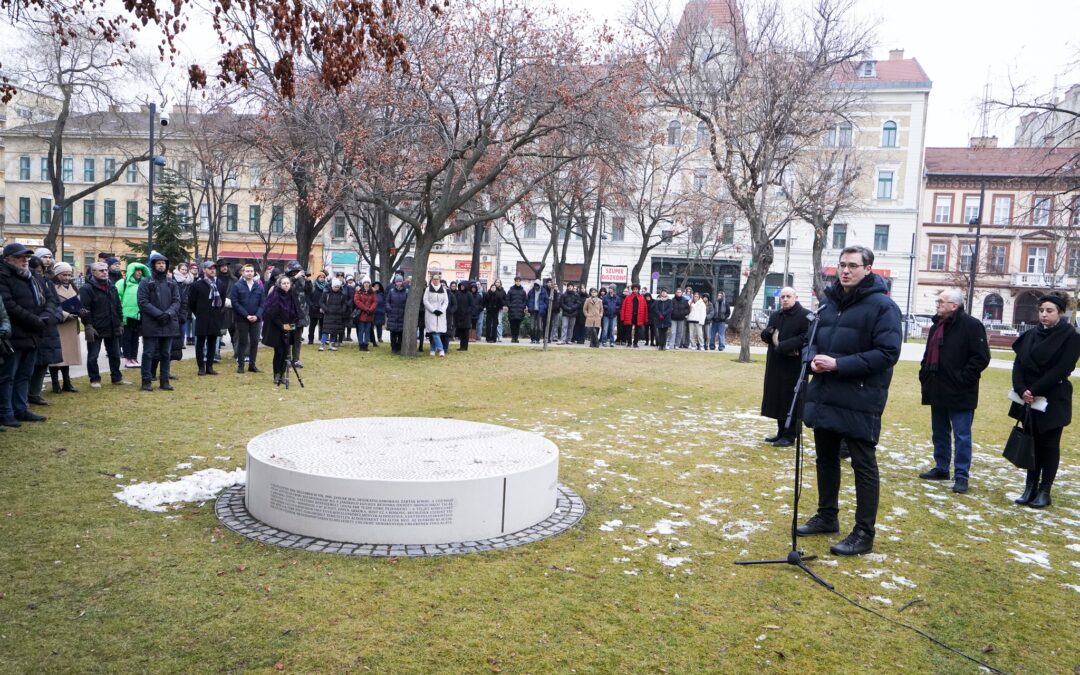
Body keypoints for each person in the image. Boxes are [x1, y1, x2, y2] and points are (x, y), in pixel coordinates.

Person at [798, 246, 901, 556]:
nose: (845, 271)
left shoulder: (883, 307)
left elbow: (887, 353)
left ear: (868, 269)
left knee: (863, 464)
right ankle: (827, 515)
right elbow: (809, 341)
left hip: (859, 396)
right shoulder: (828, 305)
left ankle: (864, 532)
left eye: (853, 265)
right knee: (826, 458)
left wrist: (840, 364)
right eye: (842, 265)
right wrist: (812, 357)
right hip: (826, 394)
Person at [1008, 294, 1080, 509]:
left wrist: (1034, 389)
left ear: (1060, 313)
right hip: (1028, 398)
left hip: (1053, 397)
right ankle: (1029, 487)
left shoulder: (1070, 337)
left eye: (1049, 311)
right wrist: (1022, 390)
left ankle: (1044, 490)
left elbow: (1062, 368)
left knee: (1048, 445)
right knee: (1031, 442)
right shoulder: (1031, 334)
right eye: (1041, 310)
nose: (1044, 315)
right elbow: (1018, 364)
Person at [917, 288, 991, 494]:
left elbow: (981, 358)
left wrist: (962, 378)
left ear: (954, 305)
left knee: (962, 436)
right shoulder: (936, 326)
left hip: (961, 391)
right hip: (936, 387)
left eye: (942, 301)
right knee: (939, 433)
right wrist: (924, 374)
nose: (938, 303)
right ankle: (941, 468)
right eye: (938, 300)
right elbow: (927, 355)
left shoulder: (972, 326)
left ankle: (961, 476)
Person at [0, 243, 48, 426]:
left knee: (24, 375)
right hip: (14, 335)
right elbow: (8, 306)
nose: (25, 260)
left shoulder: (33, 276)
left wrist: (46, 316)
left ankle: (20, 409)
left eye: (27, 257)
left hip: (33, 334)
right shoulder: (3, 276)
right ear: (8, 259)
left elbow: (48, 298)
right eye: (20, 257)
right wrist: (35, 321)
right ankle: (6, 412)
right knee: (8, 376)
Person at [760, 287, 812, 448]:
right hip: (776, 363)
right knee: (778, 398)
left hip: (794, 364)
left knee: (792, 399)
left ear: (796, 297)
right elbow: (766, 336)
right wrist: (767, 334)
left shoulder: (805, 316)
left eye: (788, 296)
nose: (785, 299)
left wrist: (784, 346)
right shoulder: (776, 315)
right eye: (782, 297)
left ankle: (790, 436)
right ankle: (781, 432)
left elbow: (806, 337)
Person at [136, 251, 180, 392]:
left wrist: (168, 314)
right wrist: (158, 314)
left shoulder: (171, 282)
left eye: (163, 264)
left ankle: (164, 381)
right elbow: (143, 302)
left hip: (168, 322)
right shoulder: (146, 282)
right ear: (153, 265)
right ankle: (146, 381)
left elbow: (177, 301)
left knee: (166, 353)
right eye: (158, 263)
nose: (161, 266)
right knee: (148, 353)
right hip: (151, 323)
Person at [78, 261, 127, 388]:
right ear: (93, 272)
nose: (105, 272)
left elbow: (118, 305)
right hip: (96, 327)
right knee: (93, 356)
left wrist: (120, 322)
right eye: (101, 270)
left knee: (115, 354)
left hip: (112, 325)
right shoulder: (86, 288)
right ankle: (94, 379)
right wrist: (88, 325)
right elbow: (85, 309)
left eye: (106, 270)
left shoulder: (112, 286)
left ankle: (117, 378)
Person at [48, 262, 82, 394]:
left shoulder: (73, 286)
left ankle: (67, 382)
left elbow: (78, 303)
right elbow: (50, 305)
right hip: (59, 324)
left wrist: (81, 311)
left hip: (71, 325)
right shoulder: (51, 287)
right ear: (57, 274)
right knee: (57, 357)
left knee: (67, 356)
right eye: (64, 275)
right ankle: (55, 383)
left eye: (69, 275)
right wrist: (65, 314)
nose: (67, 277)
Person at [188, 261, 227, 376]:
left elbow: (222, 301)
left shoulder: (220, 284)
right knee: (200, 343)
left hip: (215, 317)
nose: (213, 270)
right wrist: (199, 313)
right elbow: (192, 302)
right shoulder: (197, 285)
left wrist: (217, 313)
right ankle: (201, 367)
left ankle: (210, 367)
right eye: (210, 268)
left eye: (214, 268)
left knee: (212, 342)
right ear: (204, 270)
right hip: (202, 317)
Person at [262, 275, 301, 386]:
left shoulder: (292, 295)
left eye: (288, 283)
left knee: (286, 353)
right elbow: (272, 313)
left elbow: (297, 311)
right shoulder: (275, 295)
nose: (286, 285)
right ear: (279, 284)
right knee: (278, 353)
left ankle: (283, 374)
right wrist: (282, 326)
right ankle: (276, 375)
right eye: (283, 283)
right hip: (277, 328)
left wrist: (292, 325)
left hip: (289, 328)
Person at [229, 263, 265, 373]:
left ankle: (252, 365)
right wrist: (246, 315)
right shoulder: (237, 286)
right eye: (247, 271)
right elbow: (235, 303)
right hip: (242, 319)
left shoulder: (258, 286)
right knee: (243, 342)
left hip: (256, 319)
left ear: (254, 273)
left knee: (254, 342)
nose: (249, 273)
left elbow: (263, 303)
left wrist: (257, 315)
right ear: (243, 273)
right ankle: (240, 366)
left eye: (251, 271)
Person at [116, 261, 149, 368]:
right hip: (127, 315)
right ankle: (127, 358)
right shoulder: (123, 283)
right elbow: (117, 298)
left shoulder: (144, 283)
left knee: (135, 338)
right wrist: (120, 314)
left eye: (140, 270)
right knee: (127, 337)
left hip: (139, 315)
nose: (139, 273)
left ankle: (134, 358)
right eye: (136, 270)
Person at [318, 277, 351, 350]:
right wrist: (326, 309)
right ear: (332, 286)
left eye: (338, 287)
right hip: (328, 315)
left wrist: (342, 310)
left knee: (334, 331)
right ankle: (322, 345)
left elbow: (344, 304)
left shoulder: (342, 294)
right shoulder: (326, 293)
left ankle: (331, 345)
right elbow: (321, 302)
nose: (337, 288)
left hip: (337, 315)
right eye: (335, 287)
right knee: (325, 331)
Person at [423, 273, 449, 357]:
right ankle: (441, 349)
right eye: (434, 279)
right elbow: (425, 301)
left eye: (437, 279)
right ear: (432, 280)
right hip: (431, 313)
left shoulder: (443, 290)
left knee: (437, 332)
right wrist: (433, 310)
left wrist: (441, 310)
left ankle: (433, 349)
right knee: (434, 332)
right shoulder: (428, 289)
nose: (435, 280)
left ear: (439, 280)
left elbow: (446, 301)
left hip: (441, 313)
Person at [172, 262, 196, 346]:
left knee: (183, 323)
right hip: (176, 303)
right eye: (182, 269)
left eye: (186, 270)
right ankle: (175, 343)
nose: (184, 271)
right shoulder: (174, 279)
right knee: (175, 324)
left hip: (186, 304)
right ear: (178, 270)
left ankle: (181, 343)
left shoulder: (191, 279)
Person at [385, 274, 409, 354]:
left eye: (400, 281)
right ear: (395, 283)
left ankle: (398, 348)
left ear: (402, 282)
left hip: (402, 316)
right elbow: (387, 301)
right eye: (397, 282)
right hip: (393, 315)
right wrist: (389, 309)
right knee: (393, 334)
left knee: (400, 334)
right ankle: (393, 348)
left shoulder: (406, 291)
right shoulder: (391, 291)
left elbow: (407, 303)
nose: (398, 283)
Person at [353, 277, 377, 351]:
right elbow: (357, 301)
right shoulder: (359, 291)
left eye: (368, 282)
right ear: (363, 283)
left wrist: (371, 309)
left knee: (367, 330)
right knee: (361, 330)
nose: (366, 284)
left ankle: (366, 345)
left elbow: (375, 302)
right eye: (365, 282)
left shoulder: (372, 292)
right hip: (361, 314)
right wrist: (365, 308)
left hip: (369, 314)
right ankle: (361, 345)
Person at [453, 280, 477, 351]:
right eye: (461, 286)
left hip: (466, 316)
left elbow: (472, 305)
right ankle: (461, 346)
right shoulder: (458, 294)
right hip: (459, 316)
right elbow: (456, 303)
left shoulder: (469, 294)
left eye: (463, 286)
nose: (462, 287)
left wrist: (467, 311)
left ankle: (465, 347)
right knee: (461, 332)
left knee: (465, 332)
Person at [307, 271, 328, 345]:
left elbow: (327, 298)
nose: (322, 279)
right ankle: (310, 339)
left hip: (322, 309)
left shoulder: (326, 287)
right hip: (314, 309)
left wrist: (324, 307)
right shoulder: (313, 286)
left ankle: (322, 340)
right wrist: (312, 306)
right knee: (312, 325)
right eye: (320, 277)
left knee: (323, 325)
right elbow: (308, 297)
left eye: (323, 277)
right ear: (317, 278)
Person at [505, 277, 528, 343]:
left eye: (519, 281)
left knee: (518, 325)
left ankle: (516, 338)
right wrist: (510, 306)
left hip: (520, 311)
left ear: (520, 282)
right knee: (512, 325)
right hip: (512, 311)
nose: (518, 282)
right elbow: (507, 300)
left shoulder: (523, 291)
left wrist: (523, 306)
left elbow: (525, 300)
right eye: (517, 281)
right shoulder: (510, 290)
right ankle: (513, 338)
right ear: (515, 282)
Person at [371, 281, 386, 346]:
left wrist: (383, 309)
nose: (376, 287)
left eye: (378, 286)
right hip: (372, 312)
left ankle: (379, 337)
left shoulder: (382, 294)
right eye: (375, 286)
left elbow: (385, 302)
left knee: (379, 326)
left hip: (380, 312)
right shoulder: (371, 293)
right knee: (371, 326)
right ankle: (371, 338)